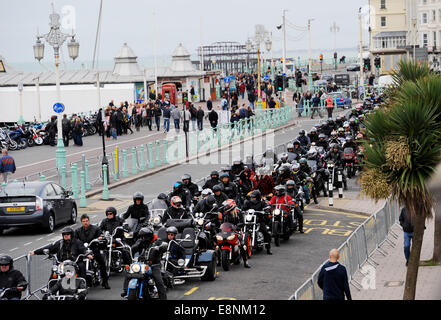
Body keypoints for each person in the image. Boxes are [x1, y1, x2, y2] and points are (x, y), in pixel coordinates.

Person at [121, 227, 167, 299]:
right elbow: (134, 248)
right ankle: (126, 290)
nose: (143, 238)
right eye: (142, 237)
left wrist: (160, 247)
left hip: (154, 264)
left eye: (145, 236)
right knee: (129, 271)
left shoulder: (157, 241)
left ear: (150, 236)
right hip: (142, 263)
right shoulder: (141, 241)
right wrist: (128, 250)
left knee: (159, 281)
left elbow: (164, 246)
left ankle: (163, 298)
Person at [74, 214, 110, 289]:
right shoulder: (78, 231)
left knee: (102, 262)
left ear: (89, 221)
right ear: (81, 222)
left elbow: (101, 235)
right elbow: (74, 240)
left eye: (86, 221)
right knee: (76, 263)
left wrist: (100, 238)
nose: (85, 223)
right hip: (82, 251)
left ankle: (105, 281)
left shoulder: (96, 229)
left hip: (93, 249)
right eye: (83, 221)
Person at [242, 190, 272, 255]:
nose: (252, 198)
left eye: (254, 197)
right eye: (252, 197)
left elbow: (266, 207)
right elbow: (243, 208)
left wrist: (266, 210)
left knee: (265, 232)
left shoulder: (262, 203)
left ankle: (268, 248)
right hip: (249, 220)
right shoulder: (248, 202)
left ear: (258, 197)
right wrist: (242, 210)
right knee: (241, 230)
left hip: (259, 220)